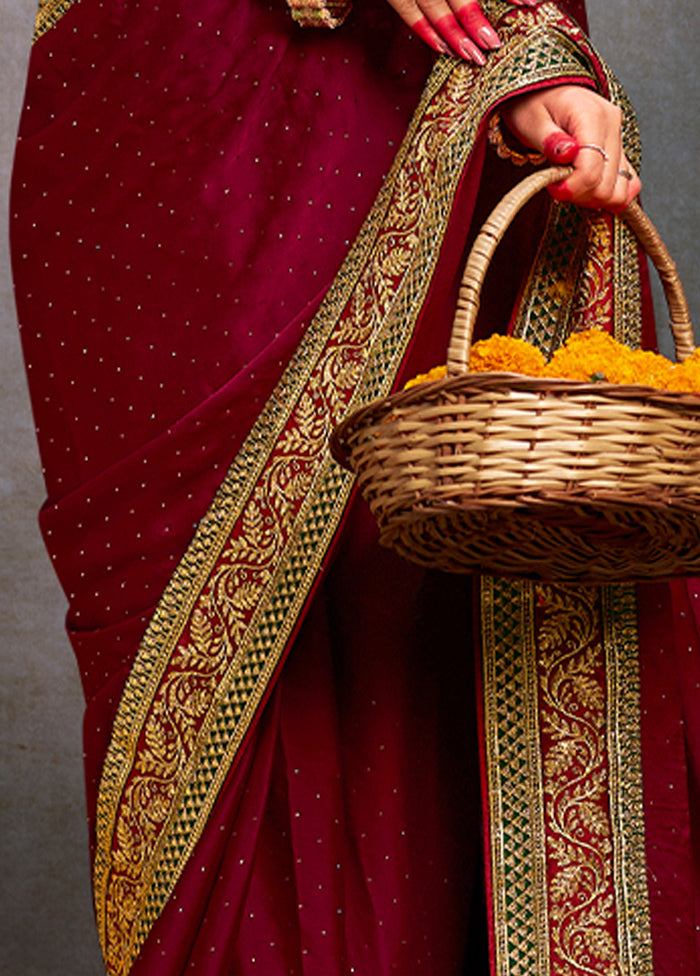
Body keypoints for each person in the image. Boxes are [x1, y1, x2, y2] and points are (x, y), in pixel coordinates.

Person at [11, 0, 697, 974]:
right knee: (204, 668)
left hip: (414, 77)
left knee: (432, 586)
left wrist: (531, 58)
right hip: (176, 94)